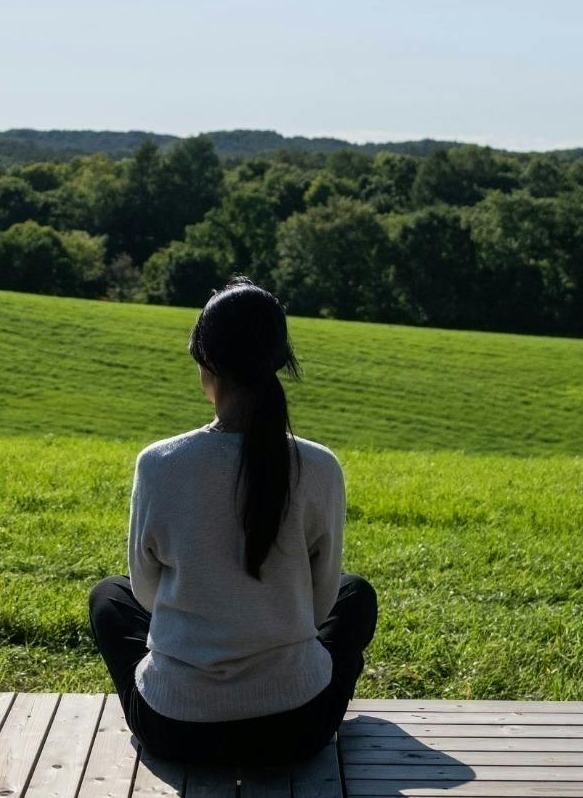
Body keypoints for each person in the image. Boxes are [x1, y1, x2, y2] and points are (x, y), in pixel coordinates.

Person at [88, 279, 377, 768]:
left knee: (108, 597)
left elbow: (144, 592)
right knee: (356, 596)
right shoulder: (319, 466)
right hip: (296, 727)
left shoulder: (159, 463)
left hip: (178, 729)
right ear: (279, 361)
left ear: (206, 362)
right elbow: (322, 604)